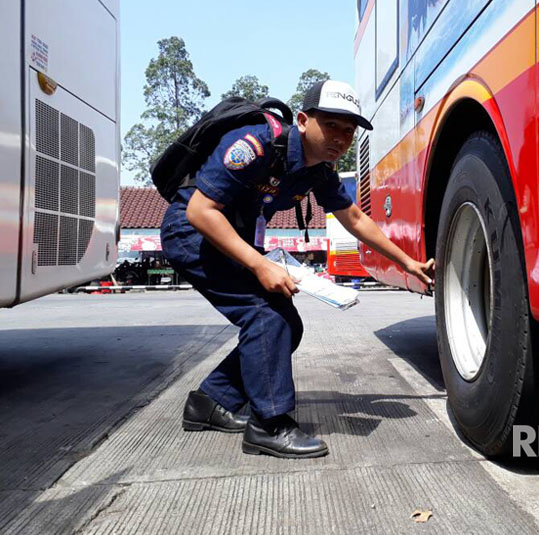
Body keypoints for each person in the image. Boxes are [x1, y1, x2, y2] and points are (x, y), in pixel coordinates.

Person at [161, 80, 434, 459]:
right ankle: (268, 425)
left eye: (349, 131)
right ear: (303, 120)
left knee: (288, 324)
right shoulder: (255, 144)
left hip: (231, 238)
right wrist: (259, 265)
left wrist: (408, 262)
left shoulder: (319, 170)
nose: (341, 138)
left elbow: (355, 217)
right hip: (193, 233)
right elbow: (200, 212)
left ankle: (210, 401)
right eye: (333, 125)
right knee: (266, 317)